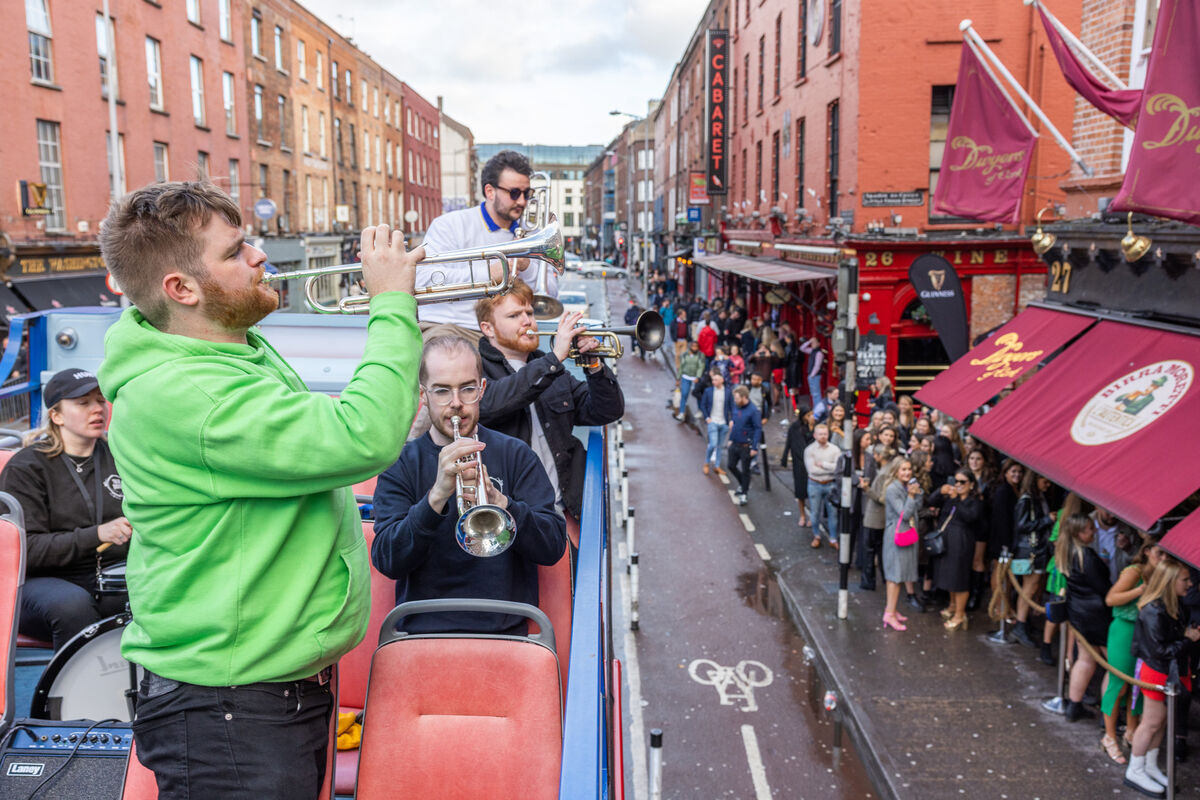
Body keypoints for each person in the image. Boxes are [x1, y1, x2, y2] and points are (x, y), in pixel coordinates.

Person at [96, 181, 423, 797]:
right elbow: (363, 436)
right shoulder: (193, 393)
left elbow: (318, 435)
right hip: (231, 709)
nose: (259, 257)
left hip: (258, 692)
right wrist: (391, 304)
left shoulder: (228, 354)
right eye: (236, 250)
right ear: (182, 289)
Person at [371, 337, 567, 636]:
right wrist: (436, 496)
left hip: (506, 631)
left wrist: (505, 505)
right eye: (441, 391)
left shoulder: (516, 454)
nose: (456, 403)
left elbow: (553, 546)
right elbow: (388, 560)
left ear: (482, 389)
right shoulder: (401, 464)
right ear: (423, 395)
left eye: (467, 388)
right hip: (423, 633)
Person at [474, 281, 622, 536]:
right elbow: (494, 402)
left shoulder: (550, 368)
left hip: (565, 512)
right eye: (514, 315)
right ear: (488, 328)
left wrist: (594, 365)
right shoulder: (476, 370)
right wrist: (554, 359)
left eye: (529, 313)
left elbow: (605, 411)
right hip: (511, 518)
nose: (527, 321)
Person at [1, 369, 130, 650]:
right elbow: (27, 550)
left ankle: (152, 690)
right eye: (83, 403)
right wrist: (97, 534)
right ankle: (75, 694)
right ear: (57, 416)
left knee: (159, 592)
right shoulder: (28, 467)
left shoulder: (119, 457)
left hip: (109, 573)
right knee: (71, 605)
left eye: (99, 400)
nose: (97, 409)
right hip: (41, 582)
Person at [417, 150, 556, 341]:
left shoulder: (532, 233)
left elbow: (550, 296)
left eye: (527, 193)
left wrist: (527, 266)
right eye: (514, 193)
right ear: (490, 191)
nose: (523, 201)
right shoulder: (449, 224)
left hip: (505, 336)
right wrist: (492, 274)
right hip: (451, 327)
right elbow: (424, 280)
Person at [1128, 557, 1199, 796]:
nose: (1189, 584)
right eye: (1185, 579)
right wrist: (1188, 639)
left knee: (1160, 722)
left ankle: (1148, 764)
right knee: (1151, 722)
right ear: (1170, 581)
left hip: (1166, 670)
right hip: (1157, 670)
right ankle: (1135, 768)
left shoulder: (1172, 605)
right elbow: (1159, 650)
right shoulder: (1154, 611)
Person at [1100, 534, 1164, 766]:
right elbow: (1111, 599)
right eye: (1160, 553)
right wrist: (1142, 590)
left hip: (1145, 633)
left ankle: (1131, 730)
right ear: (1147, 551)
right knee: (1118, 685)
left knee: (1138, 684)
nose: (1163, 558)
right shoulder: (1134, 571)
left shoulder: (1164, 575)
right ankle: (1109, 736)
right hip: (1124, 630)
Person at [1056, 513, 1113, 723]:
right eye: (1090, 529)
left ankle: (1074, 705)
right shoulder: (1087, 557)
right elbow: (1103, 587)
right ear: (1080, 533)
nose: (1094, 531)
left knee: (1085, 659)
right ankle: (1108, 715)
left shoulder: (1066, 552)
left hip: (1078, 613)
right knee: (1114, 666)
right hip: (1097, 615)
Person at [929, 470, 983, 631]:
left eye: (963, 482)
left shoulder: (975, 502)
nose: (958, 485)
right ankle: (952, 606)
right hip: (947, 542)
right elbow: (931, 501)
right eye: (956, 481)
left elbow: (970, 517)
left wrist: (956, 501)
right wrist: (940, 491)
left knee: (959, 578)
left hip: (962, 543)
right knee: (949, 575)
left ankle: (960, 615)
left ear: (971, 485)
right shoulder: (951, 497)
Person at [1010, 472, 1056, 648]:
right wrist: (1047, 520)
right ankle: (1020, 625)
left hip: (1037, 550)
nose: (1048, 484)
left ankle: (1023, 623)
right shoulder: (1027, 500)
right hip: (1030, 551)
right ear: (1036, 480)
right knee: (1028, 589)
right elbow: (1021, 526)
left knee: (1032, 587)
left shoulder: (1038, 498)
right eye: (1045, 480)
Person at [882, 458, 925, 630]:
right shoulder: (893, 489)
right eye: (903, 470)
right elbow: (904, 514)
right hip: (896, 534)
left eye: (909, 469)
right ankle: (889, 614)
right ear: (896, 471)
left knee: (898, 575)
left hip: (907, 533)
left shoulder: (906, 487)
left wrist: (917, 493)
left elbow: (917, 507)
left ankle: (891, 609)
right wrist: (911, 495)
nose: (907, 472)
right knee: (894, 576)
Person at [803, 423, 840, 550]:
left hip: (831, 484)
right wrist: (831, 467)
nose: (823, 436)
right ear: (815, 435)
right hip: (814, 484)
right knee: (815, 512)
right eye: (820, 434)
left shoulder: (835, 449)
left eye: (825, 434)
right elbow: (812, 470)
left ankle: (833, 538)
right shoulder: (809, 450)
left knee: (833, 513)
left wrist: (823, 464)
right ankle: (816, 535)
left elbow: (838, 468)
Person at [726, 386, 762, 506]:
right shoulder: (736, 407)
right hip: (735, 443)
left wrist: (754, 447)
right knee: (731, 466)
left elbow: (757, 429)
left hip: (746, 446)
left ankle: (744, 494)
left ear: (744, 397)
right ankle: (744, 483)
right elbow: (735, 424)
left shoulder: (753, 411)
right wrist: (730, 438)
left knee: (746, 470)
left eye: (737, 398)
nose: (735, 400)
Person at [781, 404, 815, 528]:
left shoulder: (815, 427)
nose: (811, 417)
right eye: (808, 415)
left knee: (812, 491)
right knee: (800, 491)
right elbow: (789, 442)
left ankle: (812, 516)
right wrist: (784, 458)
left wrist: (812, 428)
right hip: (799, 463)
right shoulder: (794, 427)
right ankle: (802, 515)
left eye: (812, 415)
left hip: (811, 464)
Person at [699, 369, 733, 476]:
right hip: (712, 421)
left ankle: (717, 466)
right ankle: (706, 463)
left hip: (724, 423)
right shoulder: (708, 391)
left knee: (720, 446)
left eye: (716, 380)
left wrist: (732, 419)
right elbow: (703, 405)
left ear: (722, 380)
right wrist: (707, 418)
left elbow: (732, 407)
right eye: (713, 380)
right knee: (713, 444)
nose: (714, 382)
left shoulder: (728, 392)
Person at [677, 340, 706, 423]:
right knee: (684, 394)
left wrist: (698, 376)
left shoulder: (701, 355)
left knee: (697, 393)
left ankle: (700, 410)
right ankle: (681, 412)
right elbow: (681, 366)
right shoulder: (685, 354)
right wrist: (678, 378)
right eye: (693, 346)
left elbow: (701, 366)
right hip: (686, 376)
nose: (694, 348)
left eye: (696, 347)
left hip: (695, 378)